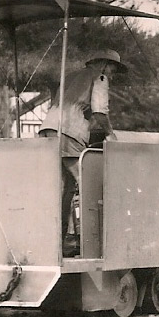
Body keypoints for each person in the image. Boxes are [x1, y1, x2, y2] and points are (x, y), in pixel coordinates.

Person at [37, 51, 126, 254]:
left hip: (48, 127)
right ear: (103, 64)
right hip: (70, 130)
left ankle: (57, 239)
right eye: (112, 68)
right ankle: (79, 237)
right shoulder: (100, 78)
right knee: (84, 181)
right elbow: (99, 111)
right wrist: (110, 133)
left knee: (60, 186)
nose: (112, 74)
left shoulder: (71, 76)